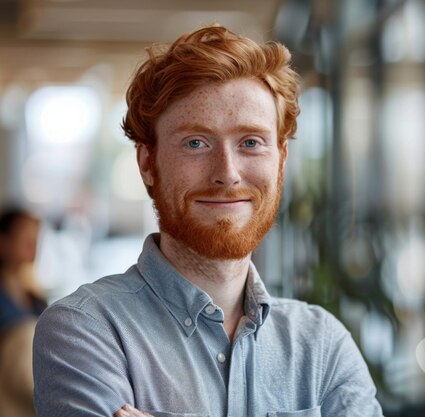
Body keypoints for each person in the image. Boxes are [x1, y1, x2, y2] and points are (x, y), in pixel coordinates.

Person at [33, 25, 383, 417]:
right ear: (148, 163)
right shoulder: (85, 330)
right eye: (196, 143)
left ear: (281, 160)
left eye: (251, 142)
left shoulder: (323, 346)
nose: (228, 173)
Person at [0, 207, 47, 417]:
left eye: (35, 238)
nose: (33, 245)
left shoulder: (34, 295)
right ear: (3, 241)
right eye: (25, 237)